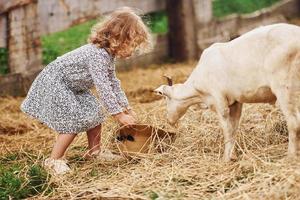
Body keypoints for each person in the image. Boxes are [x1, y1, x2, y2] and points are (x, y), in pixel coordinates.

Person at [20, 7, 152, 174]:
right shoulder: (97, 55)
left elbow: (113, 82)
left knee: (96, 112)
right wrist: (119, 115)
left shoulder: (108, 56)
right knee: (73, 121)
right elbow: (103, 87)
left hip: (74, 87)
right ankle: (54, 160)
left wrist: (127, 108)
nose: (132, 51)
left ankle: (94, 152)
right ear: (118, 38)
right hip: (57, 83)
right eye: (131, 44)